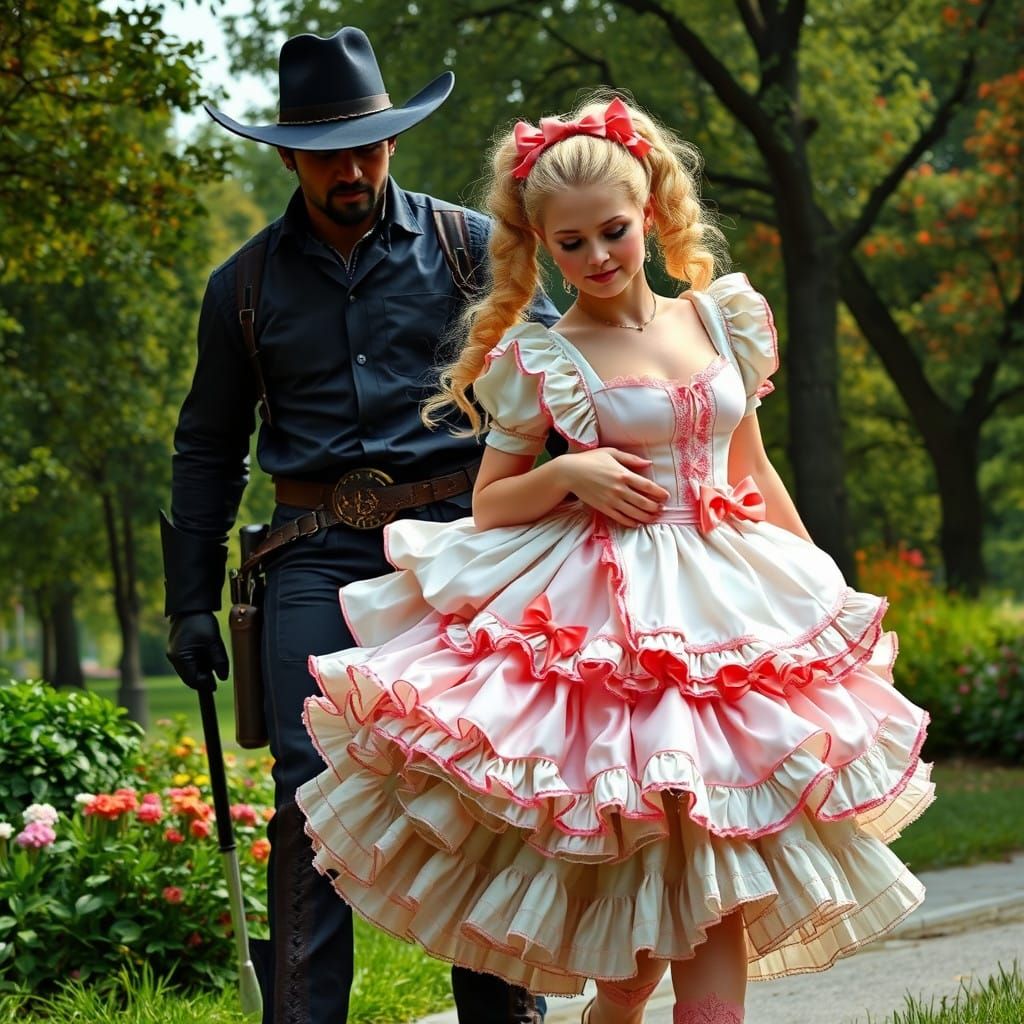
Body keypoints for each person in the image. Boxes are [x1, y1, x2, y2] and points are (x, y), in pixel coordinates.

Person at [294, 93, 936, 1024]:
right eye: (571, 244)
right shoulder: (546, 356)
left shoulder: (721, 322)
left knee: (721, 883)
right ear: (542, 246)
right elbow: (489, 502)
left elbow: (752, 469)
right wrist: (575, 474)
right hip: (612, 632)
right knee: (629, 969)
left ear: (650, 216)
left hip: (730, 616)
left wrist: (823, 592)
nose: (596, 258)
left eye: (613, 232)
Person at [160, 26, 559, 1024]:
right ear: (288, 155)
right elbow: (207, 445)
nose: (354, 167)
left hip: (462, 558)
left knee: (479, 779)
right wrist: (187, 601)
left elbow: (567, 383)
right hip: (311, 561)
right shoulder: (240, 288)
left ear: (394, 142)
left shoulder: (474, 250)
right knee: (309, 793)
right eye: (332, 151)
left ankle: (505, 1013)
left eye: (371, 146)